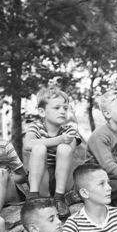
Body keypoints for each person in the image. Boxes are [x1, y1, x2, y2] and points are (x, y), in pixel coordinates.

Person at [24, 86, 82, 219]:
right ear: (42, 112)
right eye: (57, 108)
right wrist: (58, 140)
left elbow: (69, 149)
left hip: (62, 179)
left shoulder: (69, 130)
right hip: (41, 177)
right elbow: (28, 144)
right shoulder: (36, 127)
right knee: (38, 148)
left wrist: (59, 141)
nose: (62, 111)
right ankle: (34, 197)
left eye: (65, 108)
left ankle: (59, 198)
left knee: (64, 148)